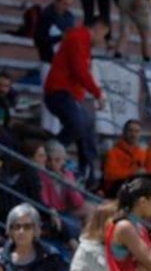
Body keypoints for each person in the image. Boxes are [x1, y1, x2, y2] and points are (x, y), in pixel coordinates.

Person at [44, 16, 108, 187]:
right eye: (104, 35)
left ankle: (87, 172)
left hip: (68, 94)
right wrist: (97, 93)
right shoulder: (78, 37)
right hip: (59, 92)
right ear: (98, 27)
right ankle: (51, 151)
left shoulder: (82, 42)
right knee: (79, 122)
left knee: (87, 125)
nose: (102, 40)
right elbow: (79, 69)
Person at [102, 118, 148, 196]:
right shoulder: (113, 152)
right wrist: (133, 173)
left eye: (136, 131)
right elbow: (109, 175)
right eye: (130, 130)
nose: (133, 134)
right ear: (124, 132)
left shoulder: (142, 153)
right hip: (117, 186)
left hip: (135, 184)